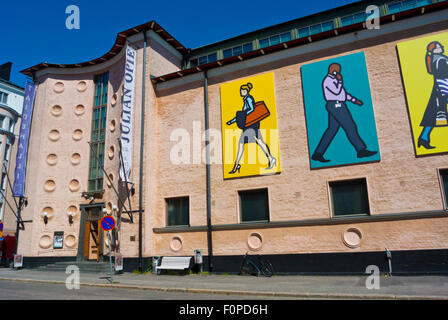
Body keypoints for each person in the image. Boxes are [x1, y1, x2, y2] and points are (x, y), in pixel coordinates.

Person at [312, 63, 377, 163]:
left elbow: (344, 94)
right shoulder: (328, 81)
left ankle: (318, 154)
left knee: (332, 130)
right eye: (337, 70)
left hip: (337, 104)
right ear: (333, 70)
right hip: (336, 105)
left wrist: (355, 100)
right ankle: (361, 150)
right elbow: (337, 92)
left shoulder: (335, 80)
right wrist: (341, 80)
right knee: (350, 126)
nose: (339, 72)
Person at [226, 83, 276, 174]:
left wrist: (243, 116)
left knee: (257, 141)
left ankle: (271, 159)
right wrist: (232, 121)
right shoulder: (245, 99)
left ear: (246, 91)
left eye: (243, 91)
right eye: (241, 91)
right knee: (247, 143)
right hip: (249, 124)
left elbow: (251, 109)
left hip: (251, 124)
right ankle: (236, 165)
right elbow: (241, 115)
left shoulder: (249, 98)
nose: (241, 92)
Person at [417, 41, 448, 149]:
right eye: (439, 47)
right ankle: (423, 138)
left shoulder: (436, 58)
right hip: (443, 88)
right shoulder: (440, 59)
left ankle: (423, 139)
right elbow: (443, 75)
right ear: (434, 50)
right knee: (433, 114)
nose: (442, 47)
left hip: (439, 88)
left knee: (431, 114)